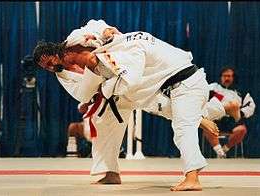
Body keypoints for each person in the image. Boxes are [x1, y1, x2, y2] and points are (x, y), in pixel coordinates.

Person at [33, 19, 221, 191]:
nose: (50, 68)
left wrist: (105, 31)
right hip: (114, 89)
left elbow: (95, 25)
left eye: (49, 62)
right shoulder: (63, 74)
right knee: (104, 124)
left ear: (58, 51)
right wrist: (95, 77)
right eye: (46, 68)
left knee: (156, 102)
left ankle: (198, 127)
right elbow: (83, 93)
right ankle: (110, 172)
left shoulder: (78, 40)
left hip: (139, 77)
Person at [203, 67, 255, 158]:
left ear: (233, 78)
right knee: (206, 125)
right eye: (225, 76)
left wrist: (240, 113)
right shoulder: (213, 88)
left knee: (241, 129)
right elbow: (203, 100)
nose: (227, 78)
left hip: (232, 120)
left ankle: (224, 150)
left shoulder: (241, 92)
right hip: (216, 118)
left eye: (229, 76)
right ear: (221, 77)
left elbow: (251, 106)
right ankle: (219, 151)